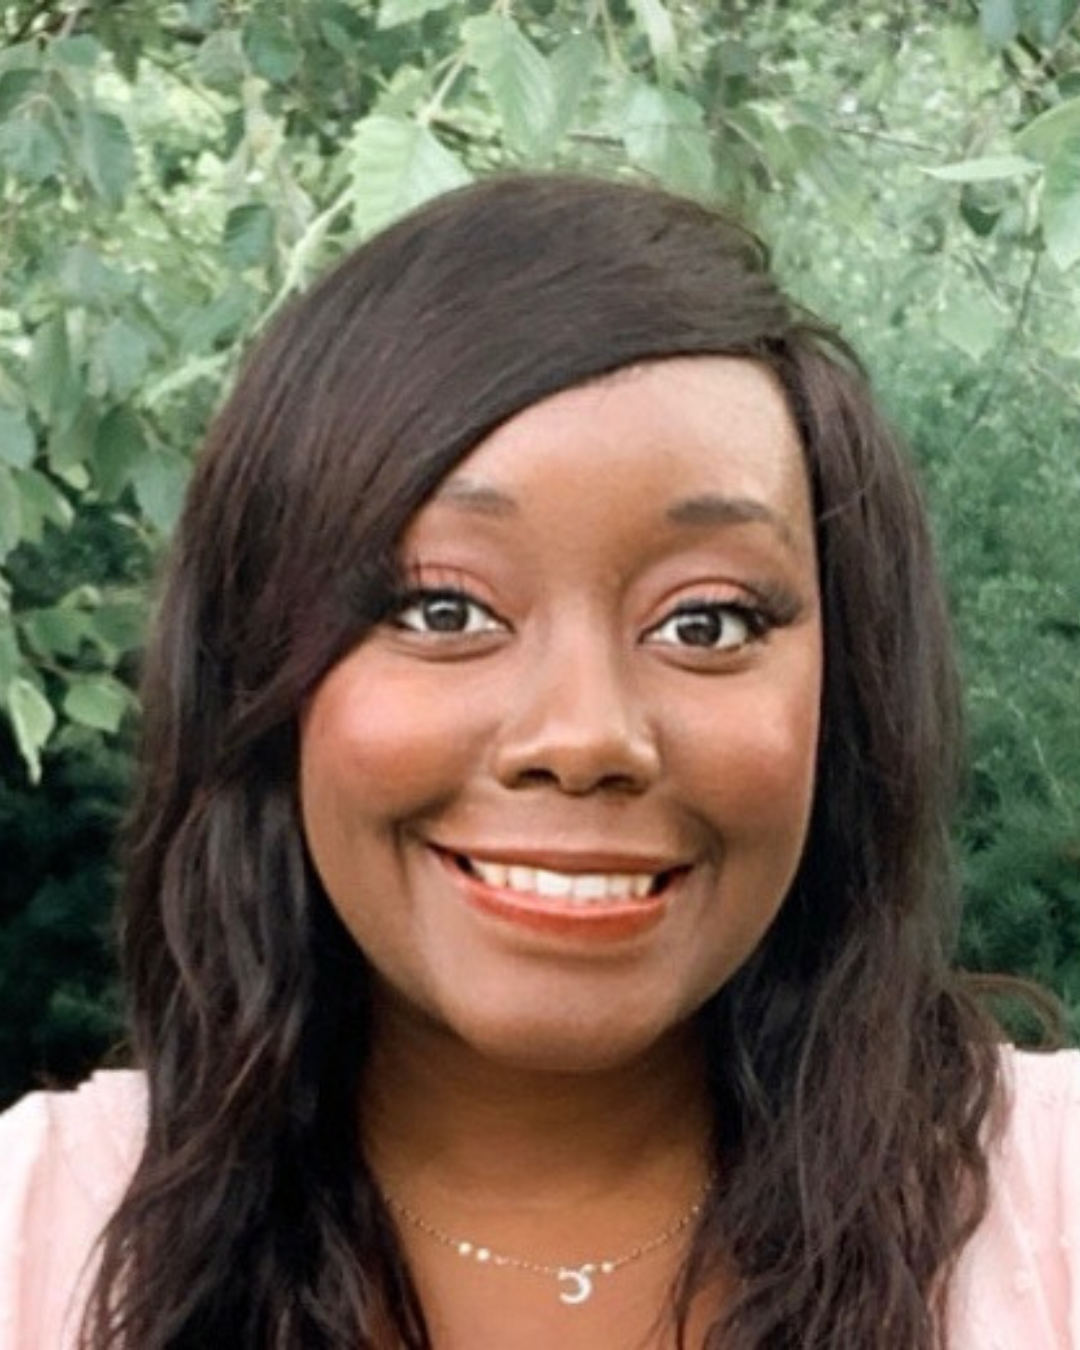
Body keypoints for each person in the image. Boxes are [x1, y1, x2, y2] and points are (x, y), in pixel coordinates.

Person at [1, 174, 1076, 1350]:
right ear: (260, 675)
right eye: (445, 610)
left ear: (847, 693)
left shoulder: (1050, 1214)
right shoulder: (37, 1238)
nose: (585, 738)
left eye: (705, 622)